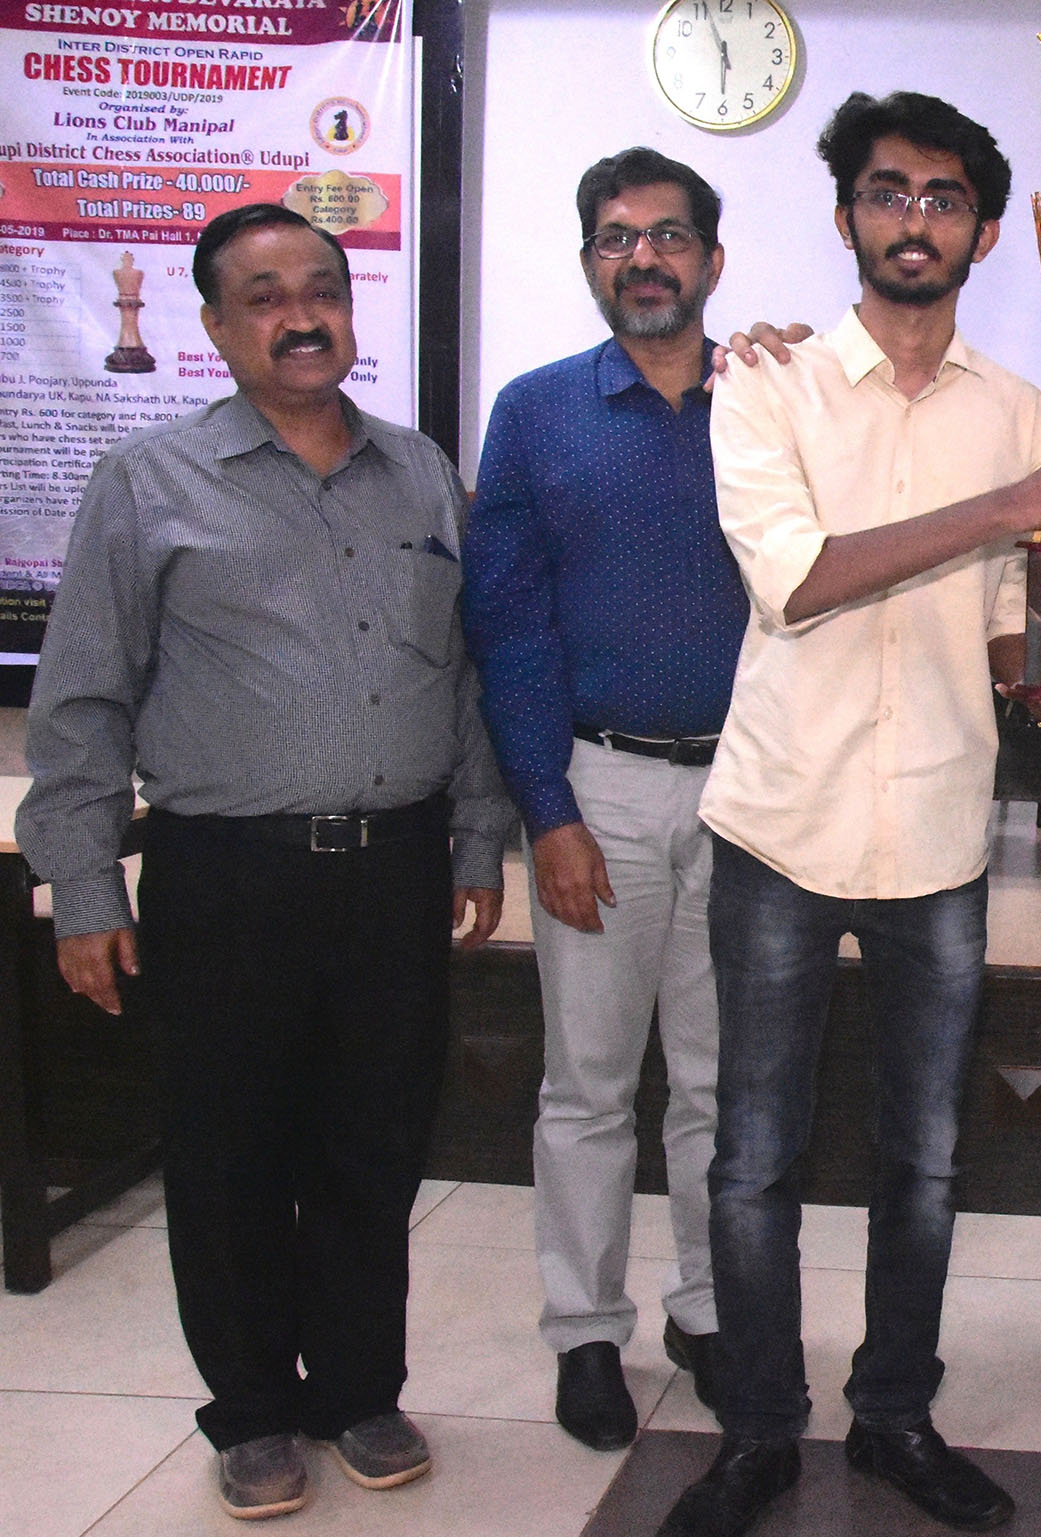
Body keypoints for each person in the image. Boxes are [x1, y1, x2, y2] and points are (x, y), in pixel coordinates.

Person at [654, 91, 1041, 1537]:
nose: (913, 219)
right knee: (756, 1154)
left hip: (935, 827)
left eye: (943, 198)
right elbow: (797, 582)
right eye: (887, 191)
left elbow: (999, 624)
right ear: (846, 215)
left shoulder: (1022, 411)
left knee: (924, 1159)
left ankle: (895, 1417)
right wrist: (1012, 506)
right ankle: (758, 1430)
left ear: (984, 233)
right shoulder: (770, 384)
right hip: (781, 822)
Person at [16, 202, 510, 1520]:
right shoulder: (149, 482)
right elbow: (83, 703)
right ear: (217, 326)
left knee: (373, 1146)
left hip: (395, 871)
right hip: (227, 877)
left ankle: (357, 1389)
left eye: (321, 289)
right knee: (230, 1155)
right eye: (266, 296)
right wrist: (81, 889)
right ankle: (250, 1410)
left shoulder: (419, 474)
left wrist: (476, 834)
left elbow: (463, 675)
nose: (301, 316)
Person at [460, 147, 745, 1450]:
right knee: (587, 1084)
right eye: (618, 237)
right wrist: (548, 811)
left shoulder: (770, 398)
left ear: (712, 260)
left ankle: (710, 1309)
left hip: (748, 793)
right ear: (590, 263)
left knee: (720, 1083)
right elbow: (508, 625)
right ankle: (585, 1329)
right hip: (600, 787)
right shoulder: (535, 412)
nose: (645, 257)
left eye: (669, 235)